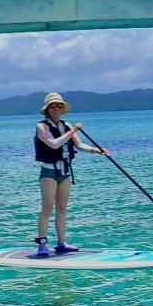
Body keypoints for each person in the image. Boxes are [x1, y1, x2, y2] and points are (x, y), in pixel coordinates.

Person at [34, 92, 110, 257]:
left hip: (66, 171)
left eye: (59, 106)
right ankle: (42, 244)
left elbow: (79, 145)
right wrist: (73, 130)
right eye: (53, 106)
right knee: (47, 208)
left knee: (62, 208)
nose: (56, 109)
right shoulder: (42, 127)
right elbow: (54, 144)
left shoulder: (66, 125)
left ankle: (61, 243)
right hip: (49, 171)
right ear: (47, 109)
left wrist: (97, 150)